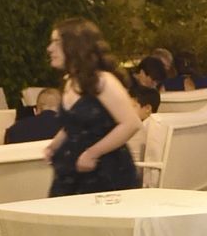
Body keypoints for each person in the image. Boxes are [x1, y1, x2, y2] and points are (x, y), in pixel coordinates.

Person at [44, 22, 143, 197]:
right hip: (71, 173)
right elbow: (75, 125)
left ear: (75, 46)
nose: (50, 49)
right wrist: (54, 146)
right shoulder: (70, 82)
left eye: (56, 42)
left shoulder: (103, 81)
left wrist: (92, 153)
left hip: (105, 173)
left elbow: (131, 123)